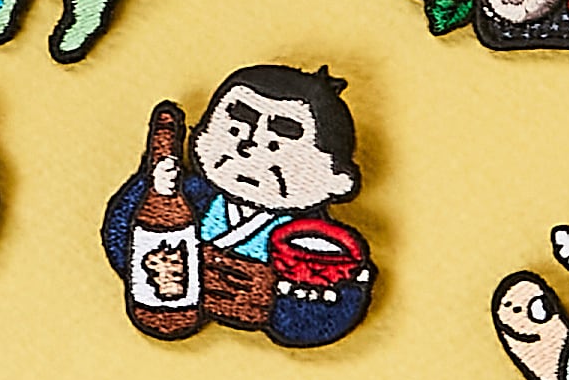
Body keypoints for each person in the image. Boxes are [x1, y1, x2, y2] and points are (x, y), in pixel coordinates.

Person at [103, 66, 373, 347]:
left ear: (336, 180)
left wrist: (274, 300)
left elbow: (330, 309)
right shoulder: (188, 196)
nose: (249, 148)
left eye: (276, 145)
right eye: (235, 130)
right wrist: (154, 184)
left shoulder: (319, 246)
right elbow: (126, 238)